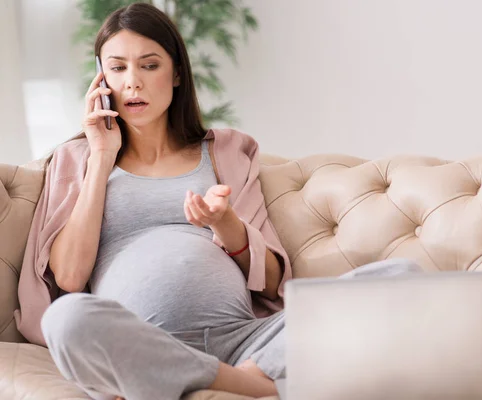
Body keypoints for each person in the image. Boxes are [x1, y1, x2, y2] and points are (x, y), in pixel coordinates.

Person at [22, 3, 423, 400]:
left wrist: (225, 223)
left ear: (177, 72)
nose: (133, 83)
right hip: (137, 341)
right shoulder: (77, 158)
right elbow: (71, 278)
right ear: (100, 77)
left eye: (149, 65)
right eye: (117, 67)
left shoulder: (227, 151)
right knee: (66, 319)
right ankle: (245, 383)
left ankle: (186, 379)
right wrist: (102, 156)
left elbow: (269, 280)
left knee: (401, 276)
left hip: (245, 340)